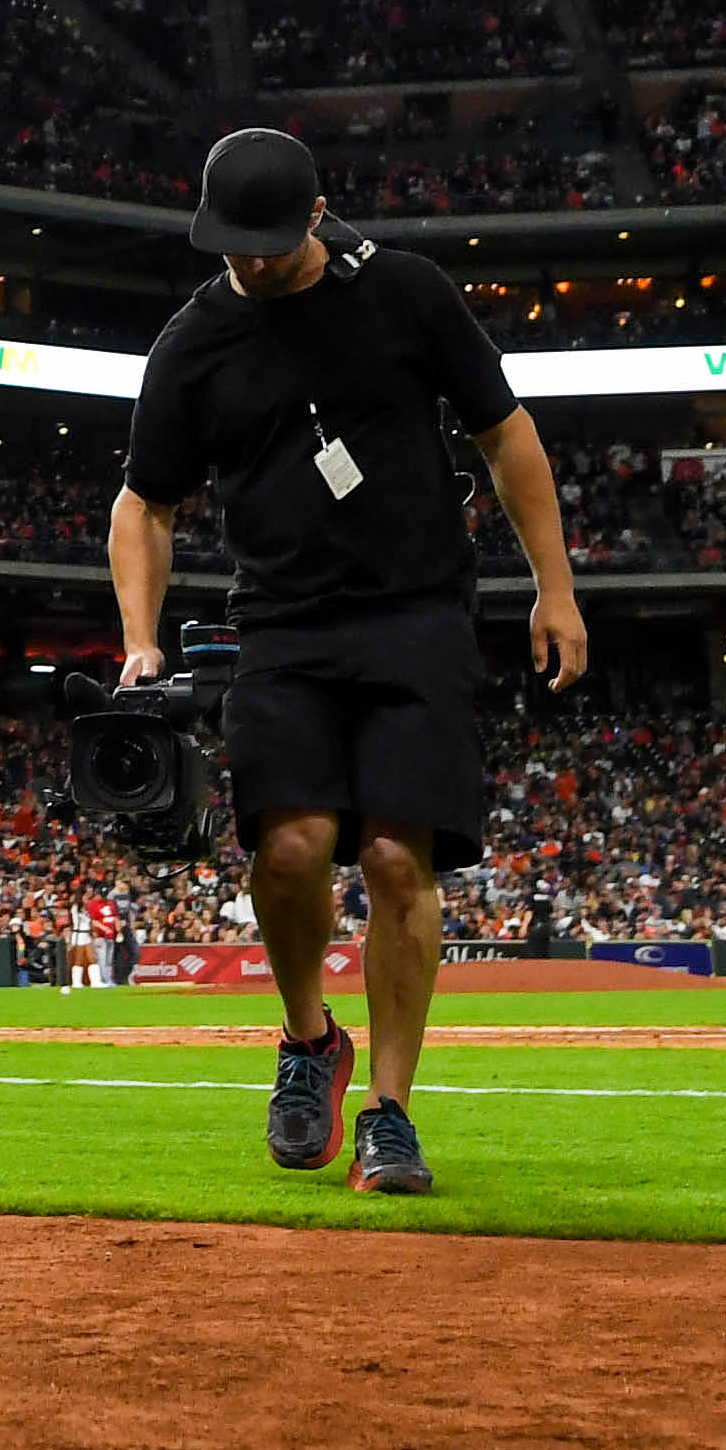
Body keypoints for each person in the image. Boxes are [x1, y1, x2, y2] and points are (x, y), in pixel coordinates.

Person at [112, 127, 589, 1197]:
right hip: (279, 623)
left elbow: (506, 434)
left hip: (417, 613)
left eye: (269, 245)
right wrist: (140, 639)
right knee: (287, 852)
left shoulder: (407, 294)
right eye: (232, 245)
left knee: (389, 861)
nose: (250, 264)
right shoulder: (193, 344)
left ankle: (391, 1113)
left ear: (317, 217)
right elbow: (143, 503)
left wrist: (554, 588)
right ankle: (308, 1041)